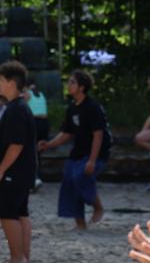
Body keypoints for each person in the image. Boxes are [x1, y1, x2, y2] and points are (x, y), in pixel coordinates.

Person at [38, 69, 113, 230]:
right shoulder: (72, 108)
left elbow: (98, 135)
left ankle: (97, 206)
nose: (69, 85)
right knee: (69, 182)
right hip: (78, 152)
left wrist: (92, 160)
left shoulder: (92, 107)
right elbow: (66, 133)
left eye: (72, 82)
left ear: (81, 87)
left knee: (80, 177)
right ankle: (80, 224)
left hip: (97, 153)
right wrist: (49, 144)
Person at [0, 60, 36, 263]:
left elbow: (16, 145)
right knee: (21, 213)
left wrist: (0, 171)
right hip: (24, 171)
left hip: (14, 172)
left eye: (1, 81)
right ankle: (23, 258)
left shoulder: (16, 110)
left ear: (11, 83)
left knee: (7, 213)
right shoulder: (20, 108)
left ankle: (17, 258)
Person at [24, 81, 48, 188]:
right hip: (44, 123)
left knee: (30, 151)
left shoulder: (27, 93)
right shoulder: (41, 94)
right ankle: (37, 176)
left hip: (34, 122)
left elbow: (21, 107)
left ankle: (34, 178)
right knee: (37, 152)